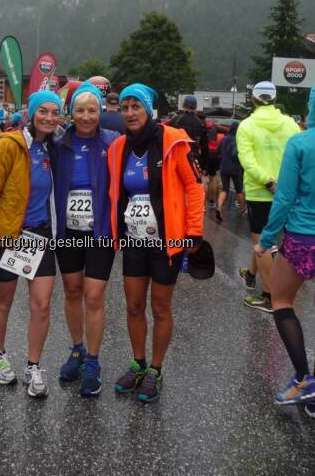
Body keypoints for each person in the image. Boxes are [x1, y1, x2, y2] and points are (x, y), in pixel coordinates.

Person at [108, 84, 204, 403]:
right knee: (134, 305)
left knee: (160, 308)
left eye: (136, 106)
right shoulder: (118, 147)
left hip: (167, 240)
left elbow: (195, 187)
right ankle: (138, 363)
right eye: (125, 107)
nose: (130, 112)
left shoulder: (173, 139)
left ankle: (156, 370)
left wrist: (194, 232)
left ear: (148, 109)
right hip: (135, 239)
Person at [0, 90, 62, 398]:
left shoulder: (54, 148)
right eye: (43, 111)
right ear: (31, 113)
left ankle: (33, 366)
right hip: (9, 236)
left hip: (41, 236)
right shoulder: (8, 145)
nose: (49, 117)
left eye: (55, 112)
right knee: (3, 302)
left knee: (42, 304)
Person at [54, 82, 118, 396]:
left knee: (93, 297)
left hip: (100, 232)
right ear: (71, 113)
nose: (86, 116)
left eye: (92, 110)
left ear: (100, 112)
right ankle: (77, 350)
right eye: (80, 110)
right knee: (72, 291)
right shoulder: (59, 145)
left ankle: (93, 361)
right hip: (68, 232)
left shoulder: (113, 141)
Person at [254, 85, 315, 416]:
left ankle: (305, 379)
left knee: (281, 301)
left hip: (303, 237)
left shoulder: (301, 143)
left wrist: (266, 240)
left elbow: (285, 198)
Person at [236, 81, 299, 312]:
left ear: (254, 100)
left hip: (260, 191)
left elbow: (247, 160)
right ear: (275, 99)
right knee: (272, 238)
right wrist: (283, 183)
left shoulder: (247, 125)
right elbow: (299, 154)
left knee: (262, 242)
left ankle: (270, 296)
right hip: (287, 191)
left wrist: (268, 181)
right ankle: (251, 274)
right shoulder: (291, 124)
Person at [167, 95, 208, 173]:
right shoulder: (200, 123)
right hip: (193, 159)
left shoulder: (175, 120)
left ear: (183, 106)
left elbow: (166, 138)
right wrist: (204, 165)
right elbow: (204, 147)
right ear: (195, 107)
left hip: (175, 159)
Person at [215, 121, 244, 221]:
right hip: (235, 168)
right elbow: (236, 154)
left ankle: (219, 207)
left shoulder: (224, 139)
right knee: (239, 190)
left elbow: (217, 152)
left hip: (224, 167)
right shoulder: (238, 140)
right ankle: (242, 209)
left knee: (225, 189)